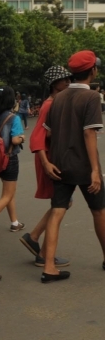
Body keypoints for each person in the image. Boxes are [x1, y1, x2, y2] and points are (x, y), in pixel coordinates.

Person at [40, 51, 105, 283]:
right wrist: (95, 170)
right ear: (93, 71)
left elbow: (48, 130)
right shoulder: (91, 98)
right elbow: (89, 133)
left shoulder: (58, 98)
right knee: (99, 211)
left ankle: (48, 267)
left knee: (57, 212)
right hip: (84, 166)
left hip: (59, 164)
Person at [20, 65, 72, 268]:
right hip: (49, 160)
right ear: (53, 84)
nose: (67, 82)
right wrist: (46, 162)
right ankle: (42, 251)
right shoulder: (50, 105)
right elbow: (39, 137)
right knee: (62, 203)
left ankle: (34, 238)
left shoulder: (57, 102)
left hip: (53, 159)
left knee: (62, 203)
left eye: (68, 78)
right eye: (63, 79)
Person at [0, 87, 26, 232]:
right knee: (7, 195)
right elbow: (15, 140)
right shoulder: (13, 118)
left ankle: (14, 222)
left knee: (9, 192)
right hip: (9, 159)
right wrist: (22, 137)